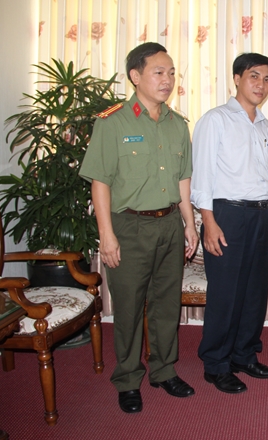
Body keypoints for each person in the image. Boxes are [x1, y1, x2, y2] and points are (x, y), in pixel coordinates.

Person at [80, 42, 198, 414]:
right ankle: (129, 379)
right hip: (128, 226)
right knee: (129, 307)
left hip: (170, 225)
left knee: (167, 304)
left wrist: (189, 223)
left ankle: (164, 370)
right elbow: (100, 182)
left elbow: (182, 179)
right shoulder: (112, 122)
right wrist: (107, 234)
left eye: (172, 73)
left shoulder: (177, 124)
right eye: (158, 72)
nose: (167, 80)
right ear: (135, 76)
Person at [191, 53, 268, 394]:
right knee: (226, 293)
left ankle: (244, 355)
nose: (261, 84)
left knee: (254, 292)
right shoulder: (215, 120)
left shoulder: (265, 126)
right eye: (254, 76)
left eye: (267, 79)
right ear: (236, 78)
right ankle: (216, 364)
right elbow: (202, 175)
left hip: (260, 215)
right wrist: (209, 222)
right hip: (226, 215)